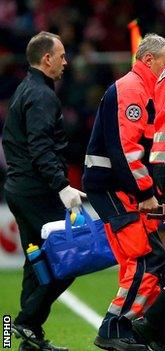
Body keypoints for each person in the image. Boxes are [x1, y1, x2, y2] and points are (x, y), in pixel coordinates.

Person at [82, 34, 165, 351]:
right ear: (148, 60)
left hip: (119, 187)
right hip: (114, 187)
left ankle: (132, 328)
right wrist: (148, 192)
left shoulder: (145, 89)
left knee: (149, 259)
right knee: (145, 259)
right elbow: (127, 149)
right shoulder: (131, 89)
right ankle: (115, 327)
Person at [3, 31, 81, 351]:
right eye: (61, 55)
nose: (66, 61)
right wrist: (62, 186)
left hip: (20, 188)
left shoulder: (27, 89)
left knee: (35, 263)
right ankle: (24, 322)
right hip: (37, 191)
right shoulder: (42, 95)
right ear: (46, 59)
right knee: (69, 260)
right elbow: (41, 148)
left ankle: (27, 340)